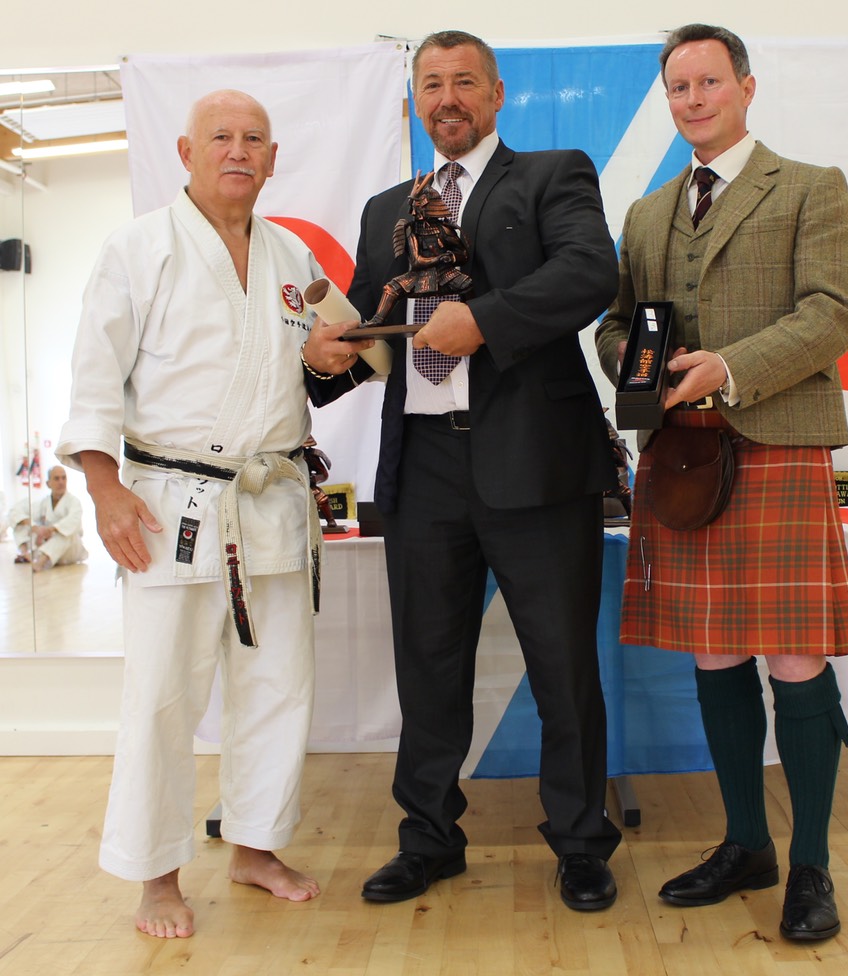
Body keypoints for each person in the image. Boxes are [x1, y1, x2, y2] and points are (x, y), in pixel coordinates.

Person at [301, 29, 622, 910]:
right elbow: (375, 330)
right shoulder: (386, 208)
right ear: (415, 101)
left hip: (536, 461)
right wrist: (328, 361)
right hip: (423, 467)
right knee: (427, 667)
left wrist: (482, 320)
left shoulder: (553, 175)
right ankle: (430, 839)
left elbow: (589, 273)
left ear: (497, 94)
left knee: (563, 667)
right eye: (432, 84)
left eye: (465, 82)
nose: (448, 98)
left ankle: (582, 842)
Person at [596, 24, 848, 942]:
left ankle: (811, 864)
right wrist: (635, 367)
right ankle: (747, 843)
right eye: (679, 87)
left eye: (710, 81)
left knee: (794, 656)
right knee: (713, 652)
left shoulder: (811, 187)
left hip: (778, 444)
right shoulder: (647, 213)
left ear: (746, 87)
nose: (694, 99)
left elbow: (833, 315)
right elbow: (616, 325)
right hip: (683, 457)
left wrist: (729, 367)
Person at [56, 89, 324, 939]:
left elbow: (335, 354)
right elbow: (94, 377)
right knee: (163, 698)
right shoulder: (137, 249)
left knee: (278, 687)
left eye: (254, 138)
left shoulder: (291, 257)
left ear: (273, 158)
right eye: (221, 137)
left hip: (271, 502)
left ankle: (255, 846)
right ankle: (157, 876)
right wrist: (104, 489)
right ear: (186, 152)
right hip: (169, 506)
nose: (238, 151)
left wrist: (348, 351)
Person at [10, 466, 88, 570]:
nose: (61, 482)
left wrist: (51, 529)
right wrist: (34, 527)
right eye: (56, 478)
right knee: (20, 523)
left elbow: (73, 522)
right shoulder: (44, 503)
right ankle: (24, 553)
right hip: (49, 548)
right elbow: (14, 512)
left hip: (70, 551)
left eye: (63, 478)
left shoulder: (74, 502)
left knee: (65, 533)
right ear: (48, 483)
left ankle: (40, 563)